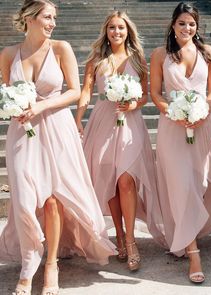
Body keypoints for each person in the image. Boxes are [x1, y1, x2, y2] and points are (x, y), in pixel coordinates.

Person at [0, 1, 117, 294]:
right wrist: (13, 108)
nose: (53, 23)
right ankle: (31, 258)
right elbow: (7, 93)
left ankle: (48, 264)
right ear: (29, 18)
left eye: (55, 17)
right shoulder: (8, 54)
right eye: (47, 17)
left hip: (57, 128)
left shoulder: (61, 48)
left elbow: (75, 92)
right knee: (26, 202)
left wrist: (41, 105)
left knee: (53, 200)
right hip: (23, 133)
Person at [150, 1, 211, 284]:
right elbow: (155, 94)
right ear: (173, 24)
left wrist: (203, 111)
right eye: (182, 22)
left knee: (205, 185)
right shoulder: (160, 54)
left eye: (192, 24)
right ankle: (193, 251)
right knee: (182, 184)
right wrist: (173, 111)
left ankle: (190, 230)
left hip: (204, 125)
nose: (187, 28)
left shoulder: (207, 52)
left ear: (196, 27)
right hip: (172, 128)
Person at [76, 10, 165, 272]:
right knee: (111, 183)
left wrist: (134, 102)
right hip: (103, 120)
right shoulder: (96, 60)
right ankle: (118, 234)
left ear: (128, 31)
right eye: (112, 28)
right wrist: (77, 118)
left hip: (131, 123)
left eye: (121, 28)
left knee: (126, 180)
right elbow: (86, 92)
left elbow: (147, 95)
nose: (117, 32)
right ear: (106, 30)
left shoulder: (138, 60)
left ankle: (131, 240)